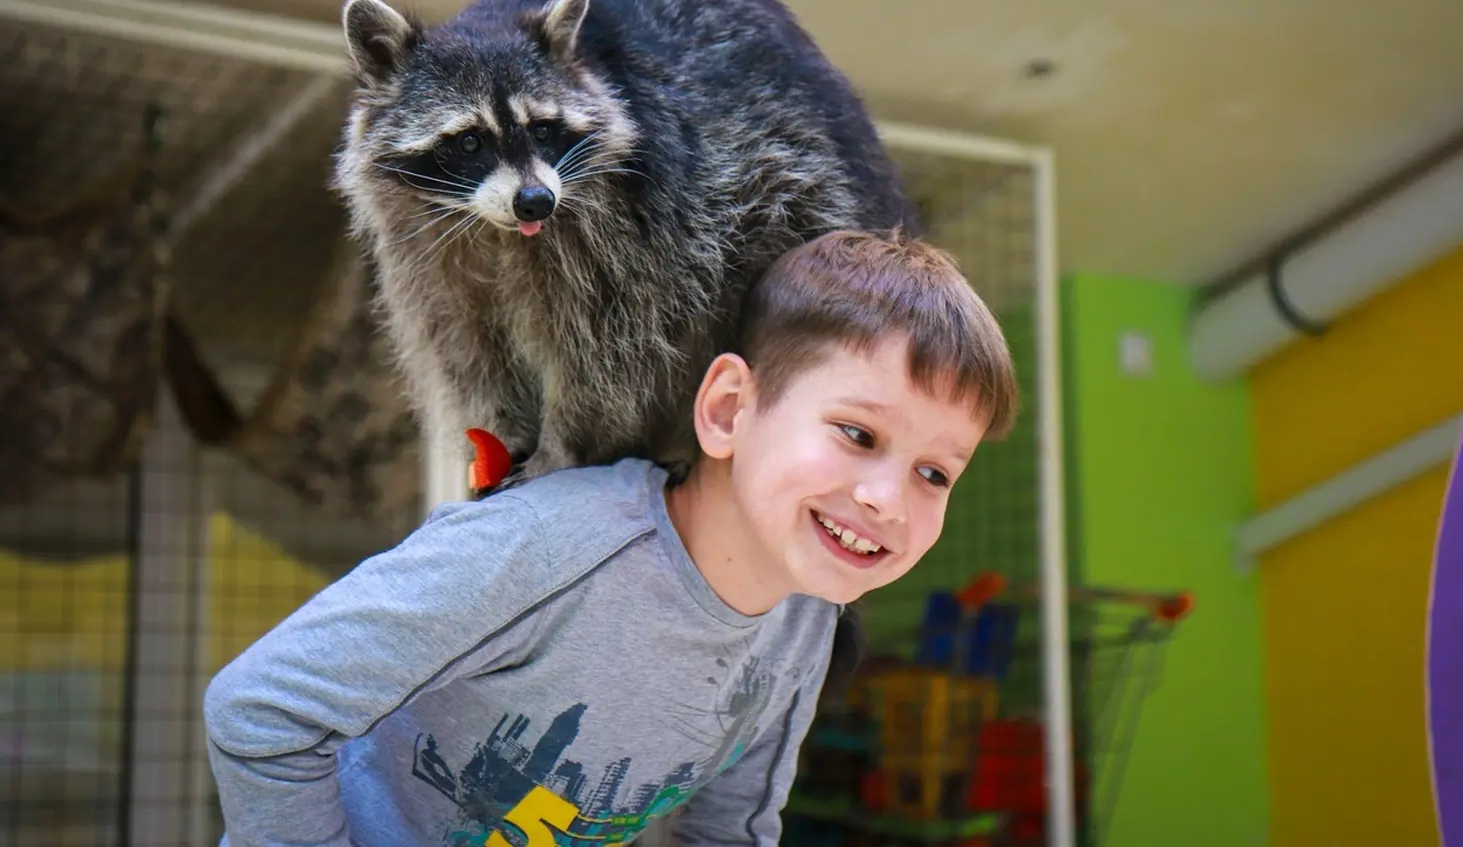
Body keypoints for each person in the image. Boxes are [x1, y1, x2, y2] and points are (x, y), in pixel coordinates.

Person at [204, 229, 1019, 847]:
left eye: (935, 473)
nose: (888, 499)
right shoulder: (550, 548)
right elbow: (261, 712)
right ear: (729, 410)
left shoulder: (805, 621)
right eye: (858, 434)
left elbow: (731, 832)